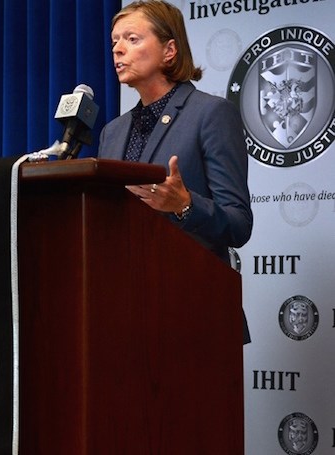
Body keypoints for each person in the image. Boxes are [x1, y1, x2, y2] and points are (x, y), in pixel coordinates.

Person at [98, 0, 252, 342]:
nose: (118, 49)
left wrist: (184, 205)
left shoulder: (212, 114)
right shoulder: (113, 131)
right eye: (114, 42)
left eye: (132, 39)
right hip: (124, 313)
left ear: (170, 50)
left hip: (194, 312)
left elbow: (239, 224)